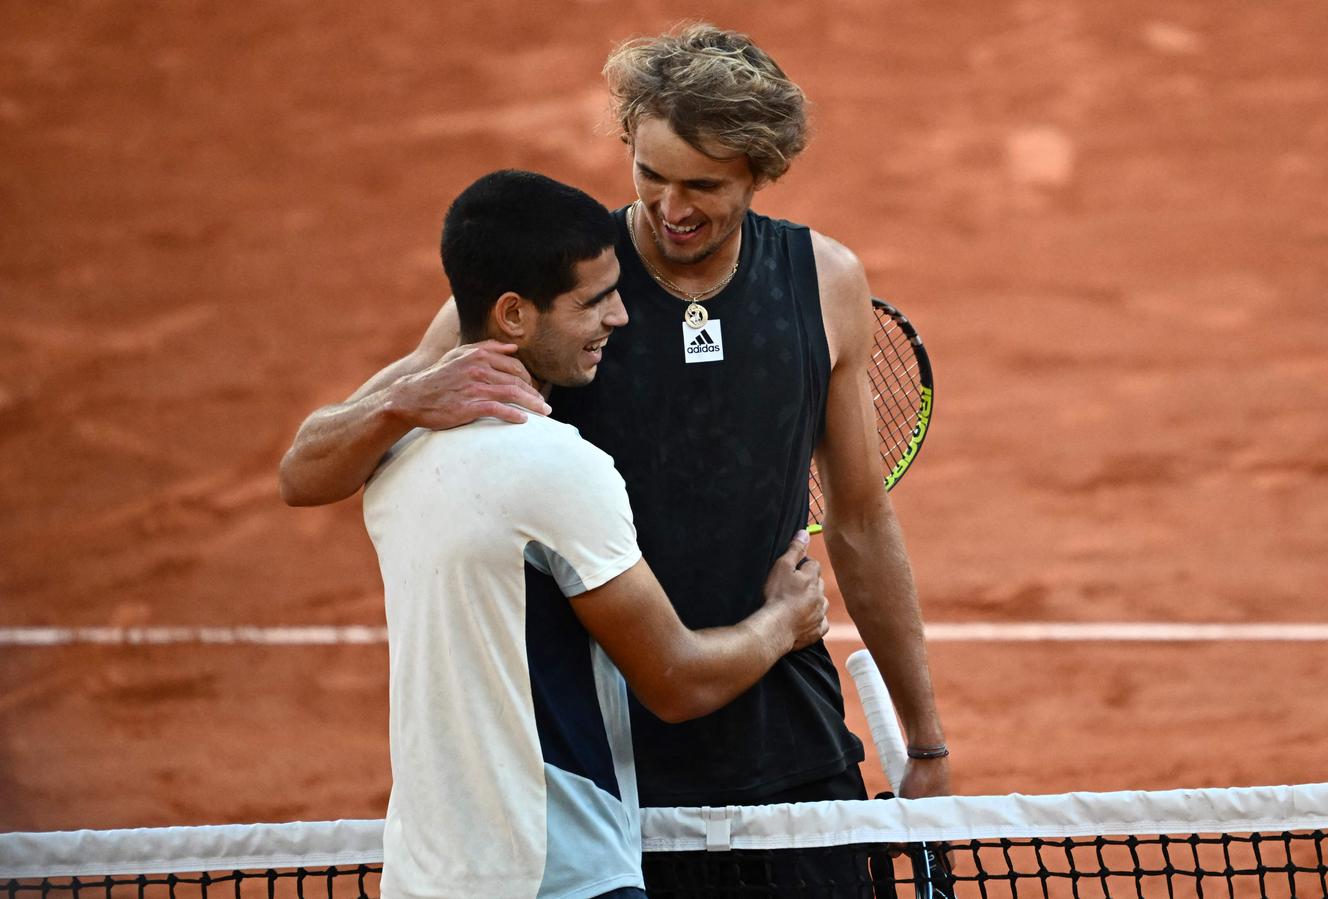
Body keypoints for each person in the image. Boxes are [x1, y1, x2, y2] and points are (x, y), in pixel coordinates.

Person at [281, 18, 950, 875]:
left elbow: (857, 521)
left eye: (703, 185)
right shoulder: (561, 288)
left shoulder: (823, 283)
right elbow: (306, 470)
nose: (671, 209)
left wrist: (925, 742)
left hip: (790, 744)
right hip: (609, 777)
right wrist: (406, 397)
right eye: (650, 174)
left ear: (759, 170)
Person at [366, 169, 829, 899]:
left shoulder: (391, 453)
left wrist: (393, 405)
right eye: (594, 301)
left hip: (425, 874)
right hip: (565, 871)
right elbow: (675, 679)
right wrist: (783, 621)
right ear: (514, 316)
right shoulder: (562, 468)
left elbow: (300, 469)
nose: (621, 316)